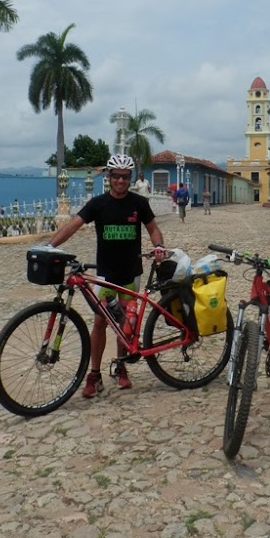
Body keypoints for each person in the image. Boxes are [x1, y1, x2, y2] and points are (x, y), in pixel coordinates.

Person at [47, 154, 165, 398]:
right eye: (116, 176)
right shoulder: (98, 204)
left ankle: (121, 367)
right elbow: (73, 225)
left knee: (124, 324)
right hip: (106, 275)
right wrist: (50, 246)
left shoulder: (139, 203)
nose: (121, 181)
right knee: (101, 322)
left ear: (130, 178)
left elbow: (153, 228)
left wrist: (158, 246)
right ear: (109, 178)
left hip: (131, 274)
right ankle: (94, 374)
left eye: (125, 176)